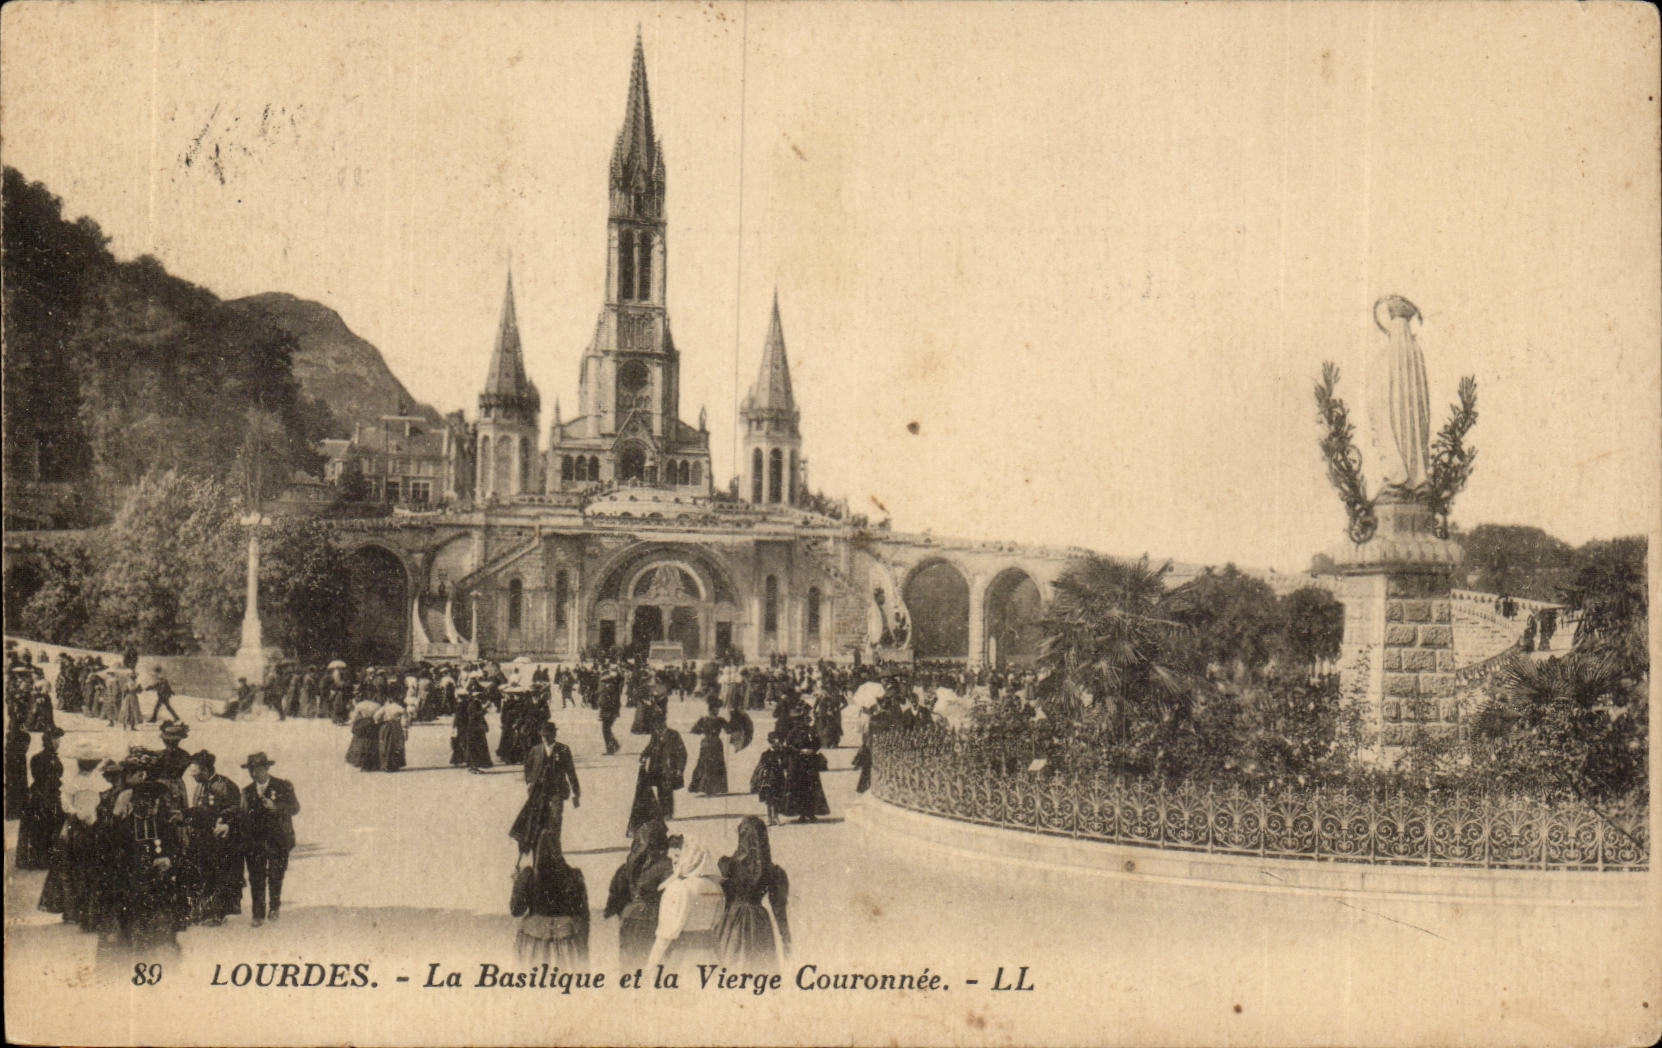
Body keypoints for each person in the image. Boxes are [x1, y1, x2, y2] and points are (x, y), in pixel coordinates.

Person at [96, 752, 186, 979]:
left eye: (152, 802)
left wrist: (169, 860)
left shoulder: (162, 825)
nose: (148, 806)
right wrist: (116, 816)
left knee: (160, 933)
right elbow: (108, 846)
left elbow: (176, 848)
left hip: (158, 884)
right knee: (127, 930)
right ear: (134, 803)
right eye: (142, 802)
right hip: (130, 884)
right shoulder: (124, 825)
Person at [39, 744, 110, 929]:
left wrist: (73, 815)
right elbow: (87, 811)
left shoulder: (76, 780)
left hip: (71, 827)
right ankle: (80, 910)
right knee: (83, 868)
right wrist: (91, 822)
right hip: (85, 828)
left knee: (71, 868)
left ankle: (72, 910)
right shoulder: (91, 783)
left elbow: (66, 804)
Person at [716, 816, 791, 971]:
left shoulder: (728, 865)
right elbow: (779, 908)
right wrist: (785, 939)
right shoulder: (772, 871)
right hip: (759, 921)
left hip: (732, 920)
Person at [511, 827, 590, 967]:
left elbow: (517, 910)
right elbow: (583, 914)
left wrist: (518, 883)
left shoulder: (528, 876)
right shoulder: (574, 875)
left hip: (535, 940)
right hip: (567, 941)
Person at [647, 837, 726, 971]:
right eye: (672, 858)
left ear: (691, 856)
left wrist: (650, 967)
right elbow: (715, 927)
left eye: (678, 855)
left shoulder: (679, 888)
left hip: (683, 960)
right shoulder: (715, 887)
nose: (674, 861)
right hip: (710, 958)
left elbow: (665, 936)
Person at [603, 816, 673, 969]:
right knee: (652, 963)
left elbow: (616, 894)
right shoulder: (667, 866)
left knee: (629, 962)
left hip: (629, 917)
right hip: (652, 918)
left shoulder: (628, 864)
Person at [183, 751, 243, 926]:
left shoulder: (222, 785)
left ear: (206, 770)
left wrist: (224, 821)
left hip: (218, 840)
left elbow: (234, 809)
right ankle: (202, 911)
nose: (193, 776)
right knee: (202, 874)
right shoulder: (201, 785)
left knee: (217, 875)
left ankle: (216, 914)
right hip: (201, 838)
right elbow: (199, 810)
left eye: (196, 772)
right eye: (192, 773)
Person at [240, 752, 299, 927]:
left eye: (257, 769)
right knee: (256, 876)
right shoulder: (247, 791)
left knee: (275, 874)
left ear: (266, 768)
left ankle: (274, 908)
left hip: (278, 839)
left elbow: (295, 808)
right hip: (256, 841)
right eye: (251, 770)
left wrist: (276, 807)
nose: (254, 773)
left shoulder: (282, 786)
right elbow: (243, 816)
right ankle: (258, 913)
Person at [511, 721, 581, 854]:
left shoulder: (564, 749)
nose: (546, 739)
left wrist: (576, 793)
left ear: (554, 735)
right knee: (538, 819)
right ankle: (539, 847)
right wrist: (530, 783)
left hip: (557, 790)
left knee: (555, 817)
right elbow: (528, 768)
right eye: (544, 736)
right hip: (539, 790)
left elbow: (571, 772)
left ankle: (555, 848)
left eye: (549, 736)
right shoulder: (535, 750)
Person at [626, 712, 686, 836]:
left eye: (660, 724)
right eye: (656, 725)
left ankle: (668, 812)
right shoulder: (656, 735)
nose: (658, 727)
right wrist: (643, 755)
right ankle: (663, 812)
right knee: (660, 790)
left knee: (667, 790)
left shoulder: (674, 735)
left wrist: (680, 769)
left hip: (669, 768)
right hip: (657, 768)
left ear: (664, 723)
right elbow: (650, 747)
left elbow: (682, 753)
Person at [16, 727, 65, 869]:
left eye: (58, 739)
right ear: (47, 741)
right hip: (42, 794)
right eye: (55, 739)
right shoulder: (40, 758)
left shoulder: (53, 757)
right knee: (42, 825)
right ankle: (40, 858)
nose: (58, 742)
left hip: (50, 793)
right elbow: (41, 777)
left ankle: (46, 857)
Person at [687, 699, 729, 797]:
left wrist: (703, 729)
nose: (717, 711)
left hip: (706, 743)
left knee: (704, 763)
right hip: (716, 743)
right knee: (715, 764)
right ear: (713, 709)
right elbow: (729, 730)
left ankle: (702, 787)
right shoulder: (720, 720)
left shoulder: (703, 719)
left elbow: (694, 730)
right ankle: (714, 788)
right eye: (716, 709)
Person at [749, 733, 788, 825]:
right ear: (770, 743)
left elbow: (786, 764)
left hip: (779, 778)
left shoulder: (782, 753)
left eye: (777, 743)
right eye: (773, 743)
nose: (776, 745)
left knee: (777, 797)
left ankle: (776, 816)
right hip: (768, 779)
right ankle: (770, 818)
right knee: (769, 799)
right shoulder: (765, 754)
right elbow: (761, 765)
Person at [346, 692, 382, 770]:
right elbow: (379, 717)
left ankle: (358, 760)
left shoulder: (360, 705)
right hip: (372, 724)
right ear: (373, 695)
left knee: (359, 741)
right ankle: (373, 762)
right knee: (373, 742)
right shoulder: (377, 705)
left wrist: (352, 724)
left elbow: (355, 716)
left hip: (362, 724)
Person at [376, 692, 408, 772]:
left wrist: (379, 721)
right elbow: (404, 721)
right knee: (396, 746)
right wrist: (405, 731)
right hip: (397, 727)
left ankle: (386, 764)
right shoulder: (401, 708)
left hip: (387, 726)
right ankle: (395, 764)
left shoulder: (386, 707)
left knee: (386, 745)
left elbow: (377, 715)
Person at [155, 722, 194, 786]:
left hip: (175, 785)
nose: (169, 742)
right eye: (167, 740)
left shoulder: (184, 755)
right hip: (163, 785)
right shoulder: (159, 754)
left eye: (173, 741)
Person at [4, 719, 28, 820]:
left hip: (10, 764)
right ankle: (19, 810)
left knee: (12, 786)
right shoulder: (25, 737)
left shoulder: (9, 736)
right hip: (19, 763)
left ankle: (11, 811)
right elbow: (25, 748)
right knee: (20, 785)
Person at [597, 665, 622, 756]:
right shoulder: (610, 687)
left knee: (606, 730)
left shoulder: (610, 688)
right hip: (606, 710)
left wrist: (611, 710)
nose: (603, 683)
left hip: (609, 711)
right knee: (607, 729)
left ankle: (611, 748)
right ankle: (614, 745)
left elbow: (613, 701)